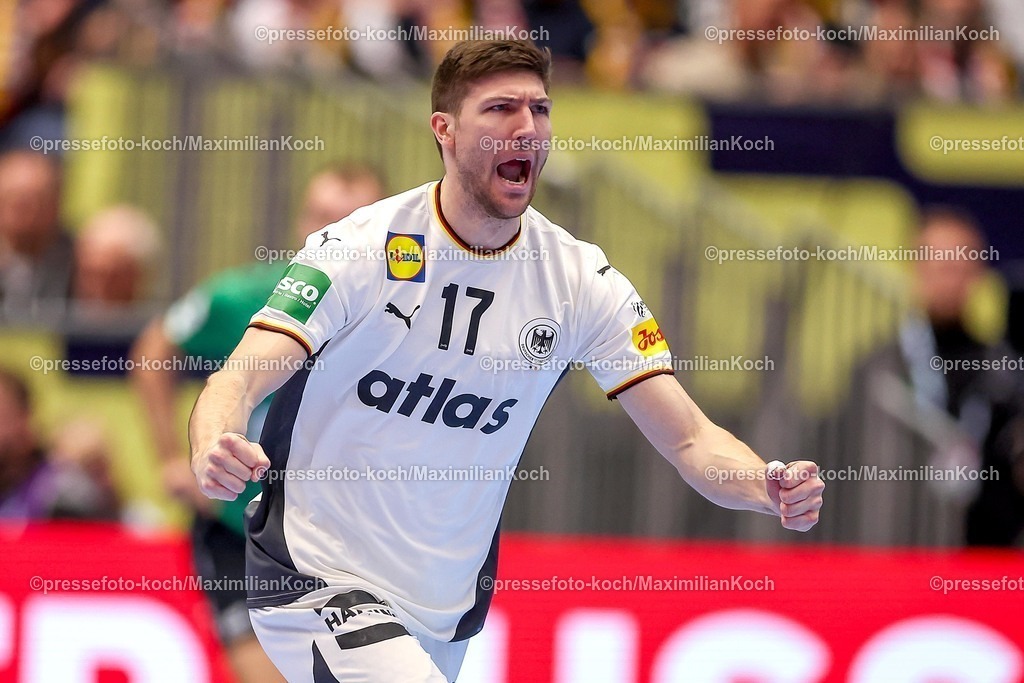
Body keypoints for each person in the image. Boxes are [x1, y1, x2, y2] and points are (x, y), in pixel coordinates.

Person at [189, 40, 825, 682]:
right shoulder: (360, 248)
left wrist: (764, 484)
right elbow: (238, 376)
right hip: (314, 574)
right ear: (446, 130)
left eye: (540, 109)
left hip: (444, 608)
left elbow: (690, 437)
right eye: (500, 109)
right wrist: (213, 441)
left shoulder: (580, 281)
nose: (527, 127)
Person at [131, 162, 383, 683]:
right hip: (240, 529)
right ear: (300, 224)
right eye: (320, 218)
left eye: (349, 220)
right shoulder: (242, 297)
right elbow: (154, 350)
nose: (331, 234)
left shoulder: (401, 316)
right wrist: (173, 457)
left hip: (348, 536)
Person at [0, 150, 73, 317]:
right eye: (19, 202)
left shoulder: (84, 265)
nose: (29, 213)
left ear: (56, 204)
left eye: (38, 201)